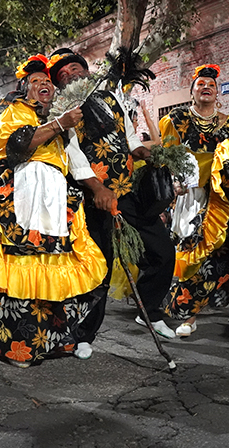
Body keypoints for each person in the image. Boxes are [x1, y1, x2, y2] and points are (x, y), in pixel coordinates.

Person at [0, 55, 106, 367]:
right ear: (24, 89)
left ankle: (48, 341)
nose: (44, 85)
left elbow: (76, 161)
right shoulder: (15, 111)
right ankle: (14, 346)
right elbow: (19, 145)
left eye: (48, 82)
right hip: (17, 196)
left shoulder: (62, 121)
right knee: (17, 268)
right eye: (36, 81)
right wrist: (58, 124)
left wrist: (97, 187)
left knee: (50, 266)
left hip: (52, 198)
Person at [48, 48, 177, 352]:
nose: (71, 74)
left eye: (75, 69)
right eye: (63, 74)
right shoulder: (63, 108)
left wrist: (151, 153)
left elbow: (130, 138)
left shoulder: (111, 97)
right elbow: (73, 155)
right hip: (95, 200)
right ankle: (82, 334)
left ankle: (149, 310)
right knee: (99, 267)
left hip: (129, 192)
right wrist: (97, 189)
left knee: (162, 251)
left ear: (86, 71)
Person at [161, 64, 229, 337]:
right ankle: (189, 318)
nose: (206, 87)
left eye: (210, 84)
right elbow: (168, 157)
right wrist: (173, 183)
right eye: (200, 84)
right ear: (191, 92)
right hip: (193, 197)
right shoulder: (177, 120)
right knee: (192, 256)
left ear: (217, 92)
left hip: (227, 198)